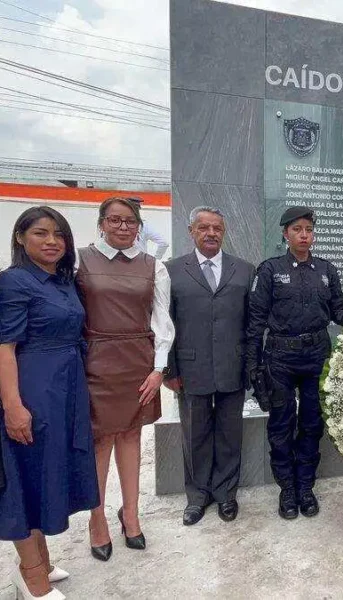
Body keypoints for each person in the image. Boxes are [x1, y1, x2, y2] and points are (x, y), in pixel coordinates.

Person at [0, 207, 99, 600]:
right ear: (21, 238)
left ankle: (39, 560)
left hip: (66, 389)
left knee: (44, 475)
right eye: (40, 233)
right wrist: (12, 405)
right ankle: (31, 577)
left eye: (59, 234)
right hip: (33, 390)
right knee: (23, 479)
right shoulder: (14, 282)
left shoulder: (62, 282)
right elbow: (4, 348)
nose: (52, 241)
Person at [76, 196, 174, 560]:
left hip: (138, 361)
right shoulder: (80, 260)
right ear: (101, 223)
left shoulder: (153, 266)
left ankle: (130, 513)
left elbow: (162, 320)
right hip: (96, 360)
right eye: (114, 220)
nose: (122, 227)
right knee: (100, 441)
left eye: (130, 221)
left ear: (139, 226)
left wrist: (158, 368)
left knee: (132, 436)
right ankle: (97, 518)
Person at [246, 206, 343, 519]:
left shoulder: (326, 270)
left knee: (311, 423)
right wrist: (253, 365)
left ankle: (306, 487)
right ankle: (287, 489)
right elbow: (255, 320)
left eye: (308, 229)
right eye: (297, 230)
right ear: (285, 234)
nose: (304, 235)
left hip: (317, 355)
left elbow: (339, 310)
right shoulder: (269, 270)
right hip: (279, 358)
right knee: (281, 424)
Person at [165, 206, 256, 526]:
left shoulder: (244, 270)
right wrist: (169, 369)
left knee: (231, 433)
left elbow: (251, 324)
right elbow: (165, 325)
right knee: (195, 434)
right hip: (191, 368)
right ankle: (198, 495)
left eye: (217, 228)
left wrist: (250, 365)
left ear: (224, 232)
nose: (211, 233)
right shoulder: (172, 270)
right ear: (191, 231)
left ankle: (226, 493)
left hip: (233, 365)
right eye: (203, 227)